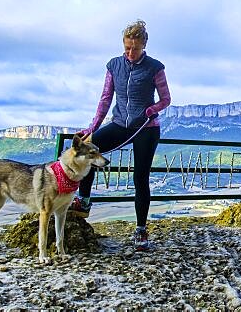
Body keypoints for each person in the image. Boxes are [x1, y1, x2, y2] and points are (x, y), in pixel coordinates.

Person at [71, 19, 171, 251]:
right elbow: (106, 98)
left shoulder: (155, 67)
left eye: (135, 49)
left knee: (140, 177)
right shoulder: (114, 65)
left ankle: (141, 230)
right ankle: (84, 201)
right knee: (88, 152)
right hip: (119, 123)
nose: (130, 53)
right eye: (126, 48)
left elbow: (166, 99)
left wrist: (152, 110)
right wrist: (92, 128)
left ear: (144, 45)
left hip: (146, 127)